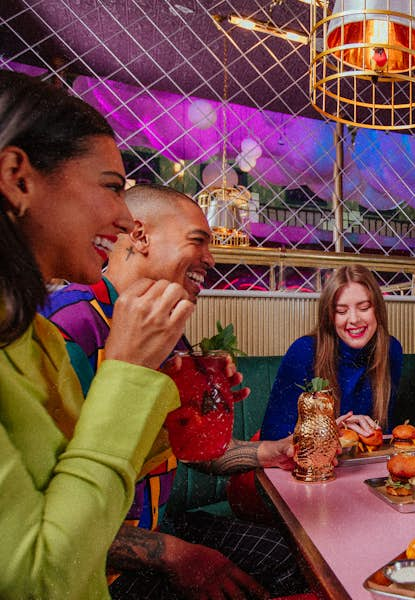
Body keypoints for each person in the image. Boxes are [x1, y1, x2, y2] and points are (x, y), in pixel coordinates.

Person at [40, 183, 308, 599]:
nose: (211, 259)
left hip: (160, 526)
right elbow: (46, 513)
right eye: (197, 241)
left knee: (294, 557)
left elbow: (191, 451)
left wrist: (265, 451)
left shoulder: (169, 335)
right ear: (141, 235)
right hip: (94, 564)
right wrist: (174, 555)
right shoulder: (69, 327)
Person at [0, 72, 192, 598]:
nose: (124, 216)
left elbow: (93, 488)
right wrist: (128, 374)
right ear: (18, 177)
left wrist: (179, 386)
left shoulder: (35, 337)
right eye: (111, 186)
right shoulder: (71, 322)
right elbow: (39, 580)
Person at [261, 265, 403, 441]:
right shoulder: (304, 351)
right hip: (312, 464)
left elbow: (387, 430)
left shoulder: (391, 350)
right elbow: (272, 434)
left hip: (366, 464)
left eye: (364, 307)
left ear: (378, 310)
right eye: (341, 311)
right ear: (329, 316)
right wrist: (332, 430)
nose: (354, 319)